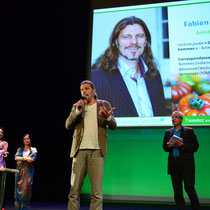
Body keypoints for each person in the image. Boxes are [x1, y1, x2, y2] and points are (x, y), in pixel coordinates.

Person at [91, 16, 166, 117]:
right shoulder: (96, 79)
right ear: (116, 42)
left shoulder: (155, 76)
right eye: (126, 37)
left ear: (146, 41)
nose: (134, 42)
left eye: (139, 36)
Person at [65, 80, 117, 210]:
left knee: (97, 193)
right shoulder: (77, 106)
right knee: (73, 191)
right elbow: (67, 125)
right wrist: (77, 111)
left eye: (87, 89)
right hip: (79, 152)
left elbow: (114, 126)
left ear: (93, 91)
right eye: (82, 89)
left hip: (97, 152)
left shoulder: (103, 104)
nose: (84, 91)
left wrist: (107, 117)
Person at [163, 111, 201, 210]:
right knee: (177, 191)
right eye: (172, 117)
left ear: (181, 119)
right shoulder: (168, 132)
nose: (173, 119)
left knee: (189, 189)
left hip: (186, 164)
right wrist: (169, 146)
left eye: (176, 117)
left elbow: (195, 146)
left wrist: (182, 145)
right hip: (174, 164)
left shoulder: (189, 131)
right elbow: (164, 148)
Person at [14, 134, 37, 209]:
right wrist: (25, 158)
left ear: (30, 140)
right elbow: (15, 158)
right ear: (23, 140)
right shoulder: (19, 149)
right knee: (18, 189)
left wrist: (21, 159)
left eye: (28, 139)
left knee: (26, 190)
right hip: (19, 173)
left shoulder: (33, 149)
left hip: (28, 173)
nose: (27, 140)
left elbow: (32, 159)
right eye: (25, 139)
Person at [0, 127, 8, 210]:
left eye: (2, 132)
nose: (1, 133)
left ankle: (2, 206)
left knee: (2, 187)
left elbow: (5, 152)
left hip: (1, 166)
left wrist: (3, 150)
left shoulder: (5, 142)